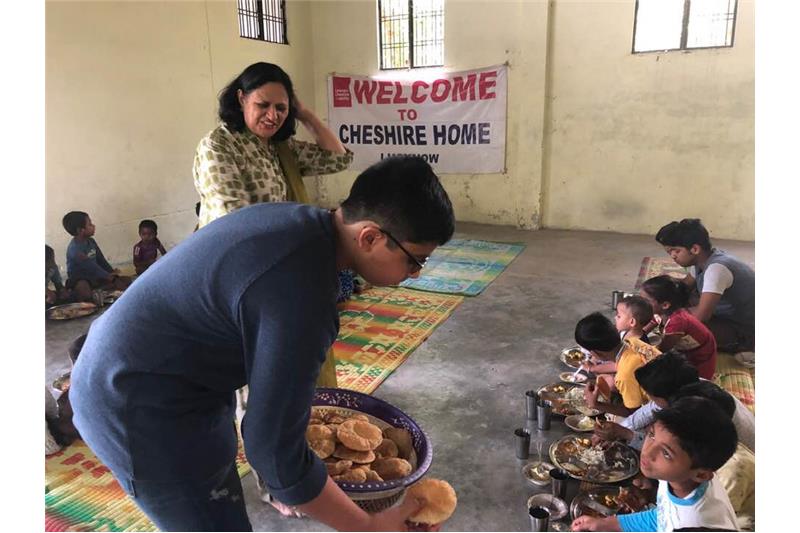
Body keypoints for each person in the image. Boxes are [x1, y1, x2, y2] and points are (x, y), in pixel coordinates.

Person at [71, 156, 455, 532]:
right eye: (415, 261)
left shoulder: (298, 221)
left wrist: (292, 475)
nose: (414, 274)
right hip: (135, 403)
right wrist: (366, 525)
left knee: (218, 480)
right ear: (370, 237)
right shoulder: (302, 294)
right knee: (207, 516)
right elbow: (273, 450)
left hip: (157, 367)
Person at [193, 61, 351, 228]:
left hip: (277, 240)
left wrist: (305, 115)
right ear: (241, 99)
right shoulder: (219, 146)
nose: (272, 116)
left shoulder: (281, 147)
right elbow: (234, 222)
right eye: (263, 105)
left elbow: (338, 159)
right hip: (240, 243)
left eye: (281, 108)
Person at [571, 397, 739, 532]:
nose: (648, 452)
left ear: (701, 474)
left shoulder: (695, 524)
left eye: (666, 453)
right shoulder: (680, 479)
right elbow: (662, 517)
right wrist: (605, 524)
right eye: (651, 435)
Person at [655, 219, 755, 357]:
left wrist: (667, 314)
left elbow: (701, 316)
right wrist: (658, 291)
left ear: (695, 249)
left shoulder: (716, 269)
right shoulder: (702, 259)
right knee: (677, 299)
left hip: (746, 329)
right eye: (669, 252)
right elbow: (683, 287)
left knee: (677, 328)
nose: (673, 256)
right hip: (727, 315)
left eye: (676, 251)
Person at [575, 312, 661, 418]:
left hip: (664, 409)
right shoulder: (633, 342)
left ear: (595, 353)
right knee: (609, 380)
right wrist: (593, 368)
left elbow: (633, 412)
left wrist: (595, 404)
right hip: (673, 388)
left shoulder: (624, 376)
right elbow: (621, 365)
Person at [640, 275, 718, 379]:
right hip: (684, 351)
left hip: (701, 357)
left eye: (645, 300)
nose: (640, 304)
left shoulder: (677, 322)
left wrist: (639, 351)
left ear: (665, 305)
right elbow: (643, 331)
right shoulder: (660, 312)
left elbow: (661, 350)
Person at [62, 211, 132, 302]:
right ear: (80, 230)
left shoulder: (91, 241)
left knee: (127, 280)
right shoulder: (75, 250)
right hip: (80, 280)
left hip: (95, 277)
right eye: (90, 224)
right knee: (84, 289)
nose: (93, 226)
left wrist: (113, 274)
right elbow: (92, 268)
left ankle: (98, 292)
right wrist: (113, 279)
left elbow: (101, 261)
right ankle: (87, 294)